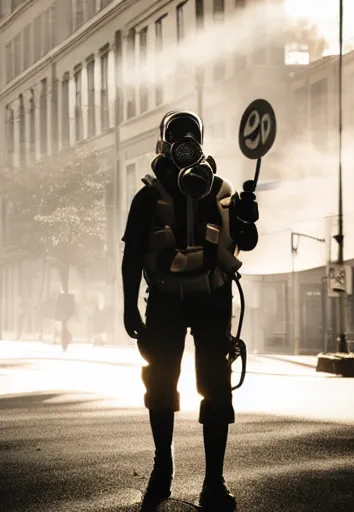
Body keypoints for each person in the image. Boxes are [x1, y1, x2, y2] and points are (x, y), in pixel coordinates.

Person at [121, 110, 259, 511]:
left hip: (212, 298)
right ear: (165, 145)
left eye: (191, 137)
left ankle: (214, 480)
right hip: (164, 300)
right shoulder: (147, 197)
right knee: (160, 384)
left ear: (200, 143)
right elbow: (132, 255)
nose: (184, 143)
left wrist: (248, 216)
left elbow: (244, 242)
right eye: (177, 137)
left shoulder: (220, 191)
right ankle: (163, 465)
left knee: (216, 385)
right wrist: (130, 307)